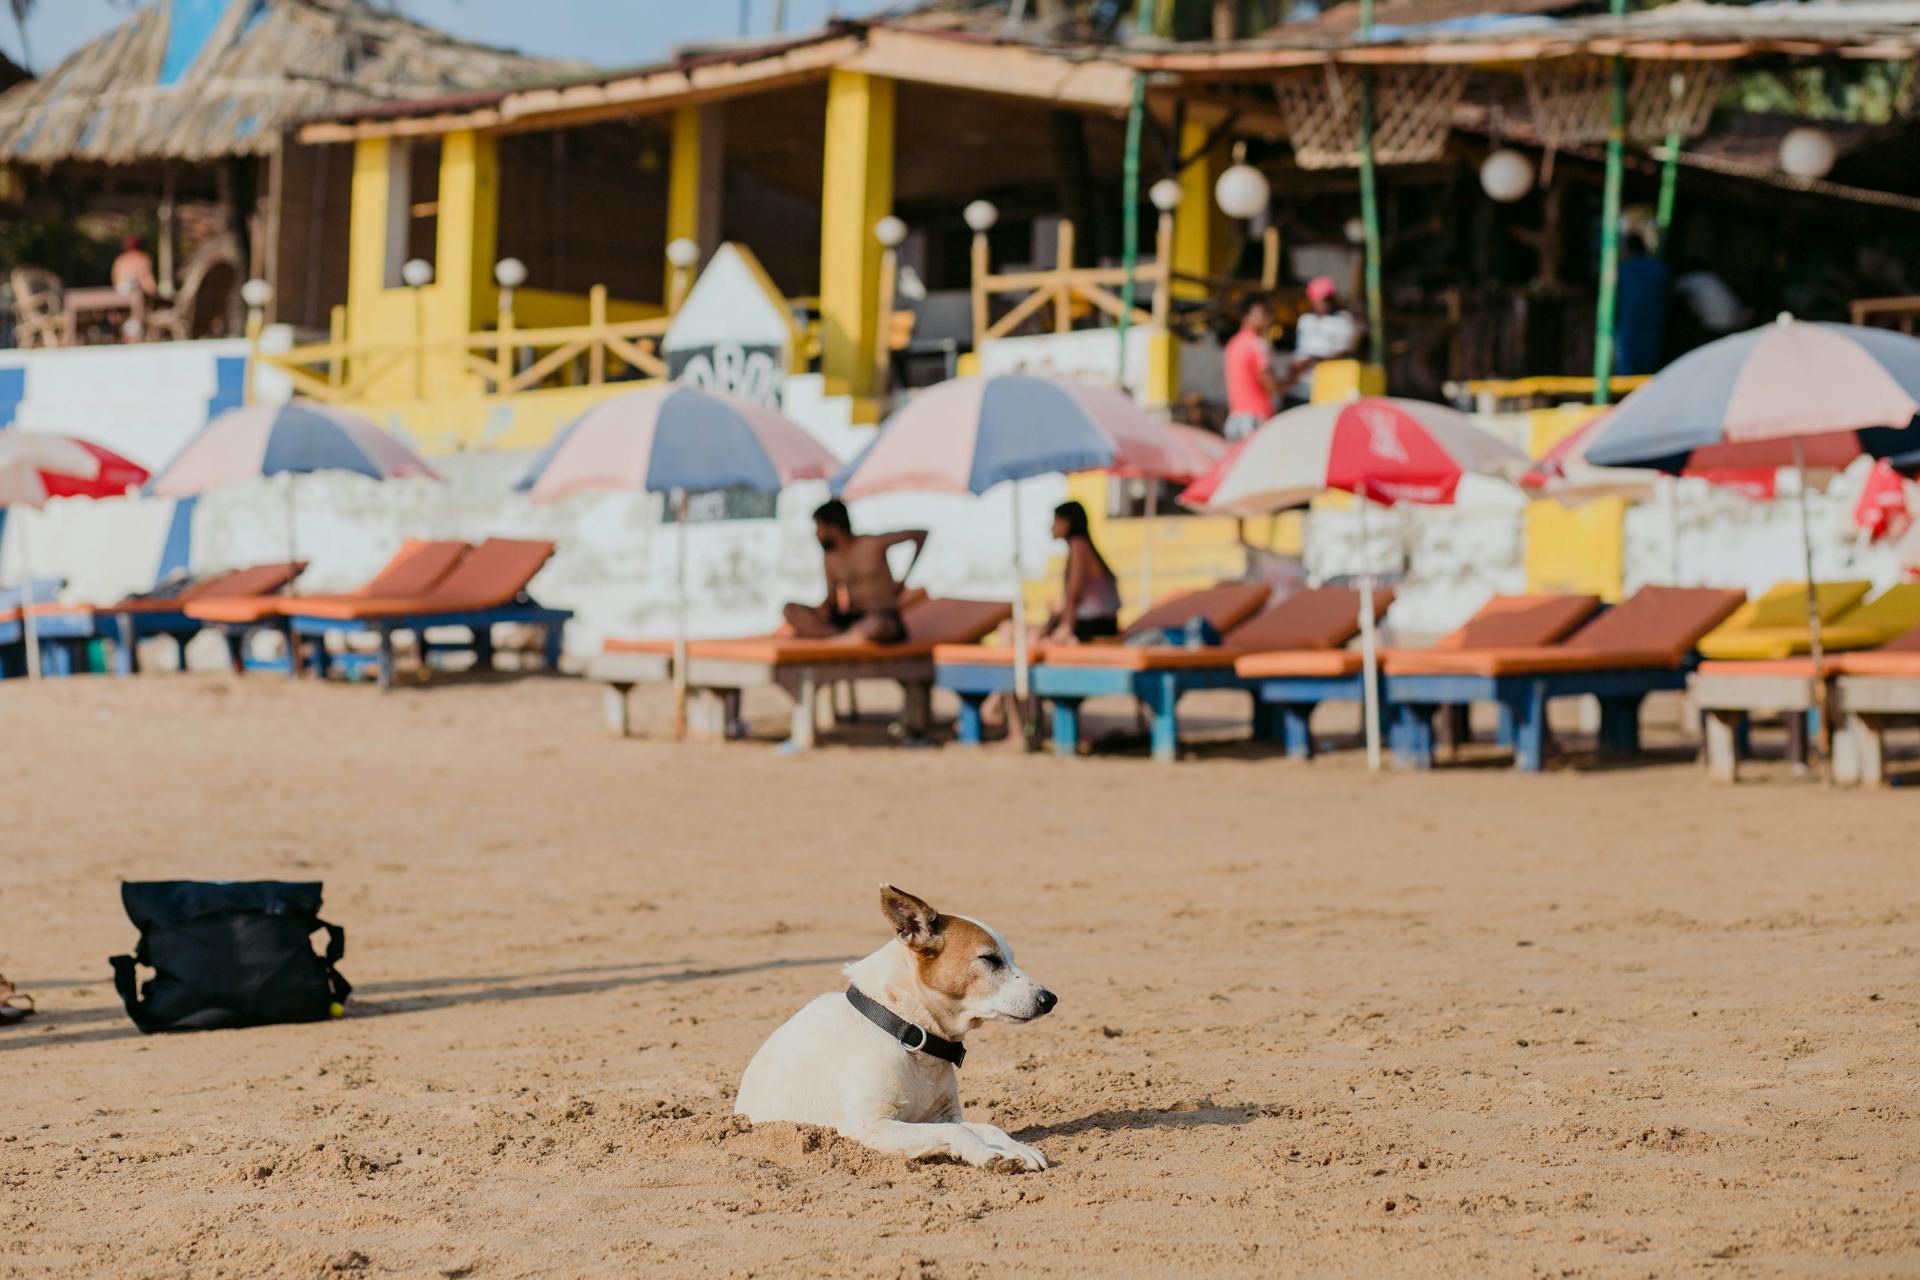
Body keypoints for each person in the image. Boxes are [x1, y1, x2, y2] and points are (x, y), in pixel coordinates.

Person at [783, 499, 925, 643]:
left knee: (876, 625)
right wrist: (820, 613)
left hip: (883, 616)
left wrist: (903, 580)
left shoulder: (870, 544)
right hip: (852, 619)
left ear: (832, 527)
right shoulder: (830, 557)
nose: (816, 534)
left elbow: (920, 534)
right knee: (790, 609)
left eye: (819, 527)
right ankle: (843, 638)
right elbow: (832, 600)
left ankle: (836, 639)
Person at [1043, 501, 1120, 642]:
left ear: (1067, 523)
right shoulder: (1082, 545)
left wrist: (1065, 628)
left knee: (1013, 631)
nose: (1051, 527)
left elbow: (1074, 592)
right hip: (1100, 623)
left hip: (1094, 625)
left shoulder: (1078, 544)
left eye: (1056, 521)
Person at [1222, 298, 1287, 441]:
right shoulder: (1257, 344)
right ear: (1246, 316)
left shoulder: (1233, 344)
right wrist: (1292, 379)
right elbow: (1271, 385)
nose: (1266, 317)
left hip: (1235, 419)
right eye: (1262, 313)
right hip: (1255, 420)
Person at [1288, 275, 1360, 403]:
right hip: (1302, 385)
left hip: (1328, 384)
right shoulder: (1305, 319)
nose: (1322, 304)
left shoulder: (1342, 319)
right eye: (1318, 300)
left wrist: (1316, 361)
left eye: (1325, 300)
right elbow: (1300, 350)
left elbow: (1345, 352)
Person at [1613, 231, 1670, 376]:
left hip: (1630, 320)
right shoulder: (1659, 268)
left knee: (1627, 360)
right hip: (1653, 320)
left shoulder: (1622, 269)